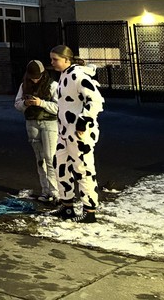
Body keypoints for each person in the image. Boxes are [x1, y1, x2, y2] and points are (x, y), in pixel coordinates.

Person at [49, 44, 105, 223]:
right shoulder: (65, 76)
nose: (52, 63)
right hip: (65, 133)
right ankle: (67, 206)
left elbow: (96, 100)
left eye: (55, 59)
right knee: (61, 166)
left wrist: (83, 120)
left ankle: (89, 210)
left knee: (83, 170)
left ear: (66, 60)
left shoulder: (77, 76)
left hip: (79, 135)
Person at [14, 59, 60, 203]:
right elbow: (17, 104)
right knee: (40, 159)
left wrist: (41, 103)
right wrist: (25, 103)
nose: (34, 80)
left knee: (50, 158)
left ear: (43, 74)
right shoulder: (24, 85)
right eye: (32, 77)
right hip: (31, 123)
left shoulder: (53, 85)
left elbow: (60, 107)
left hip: (49, 123)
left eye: (37, 77)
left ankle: (56, 192)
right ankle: (45, 191)